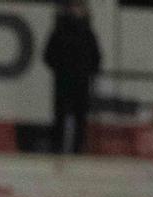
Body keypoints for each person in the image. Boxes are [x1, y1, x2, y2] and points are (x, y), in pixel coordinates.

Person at [43, 0, 101, 155]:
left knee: (80, 118)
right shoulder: (60, 31)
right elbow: (48, 55)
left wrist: (86, 72)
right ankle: (58, 149)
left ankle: (78, 150)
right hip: (64, 82)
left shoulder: (87, 33)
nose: (76, 10)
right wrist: (62, 69)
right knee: (60, 118)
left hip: (80, 83)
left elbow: (96, 58)